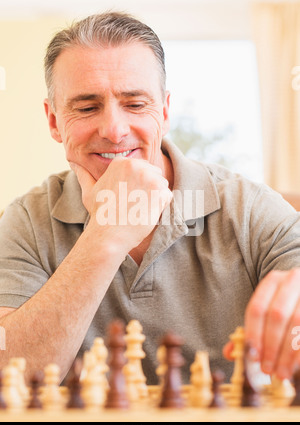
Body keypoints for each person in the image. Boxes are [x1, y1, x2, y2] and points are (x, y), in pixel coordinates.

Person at [0, 12, 300, 385]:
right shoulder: (24, 220)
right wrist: (105, 236)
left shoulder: (250, 208)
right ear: (53, 121)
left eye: (136, 103)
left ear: (166, 110)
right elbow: (5, 367)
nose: (114, 129)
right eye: (87, 106)